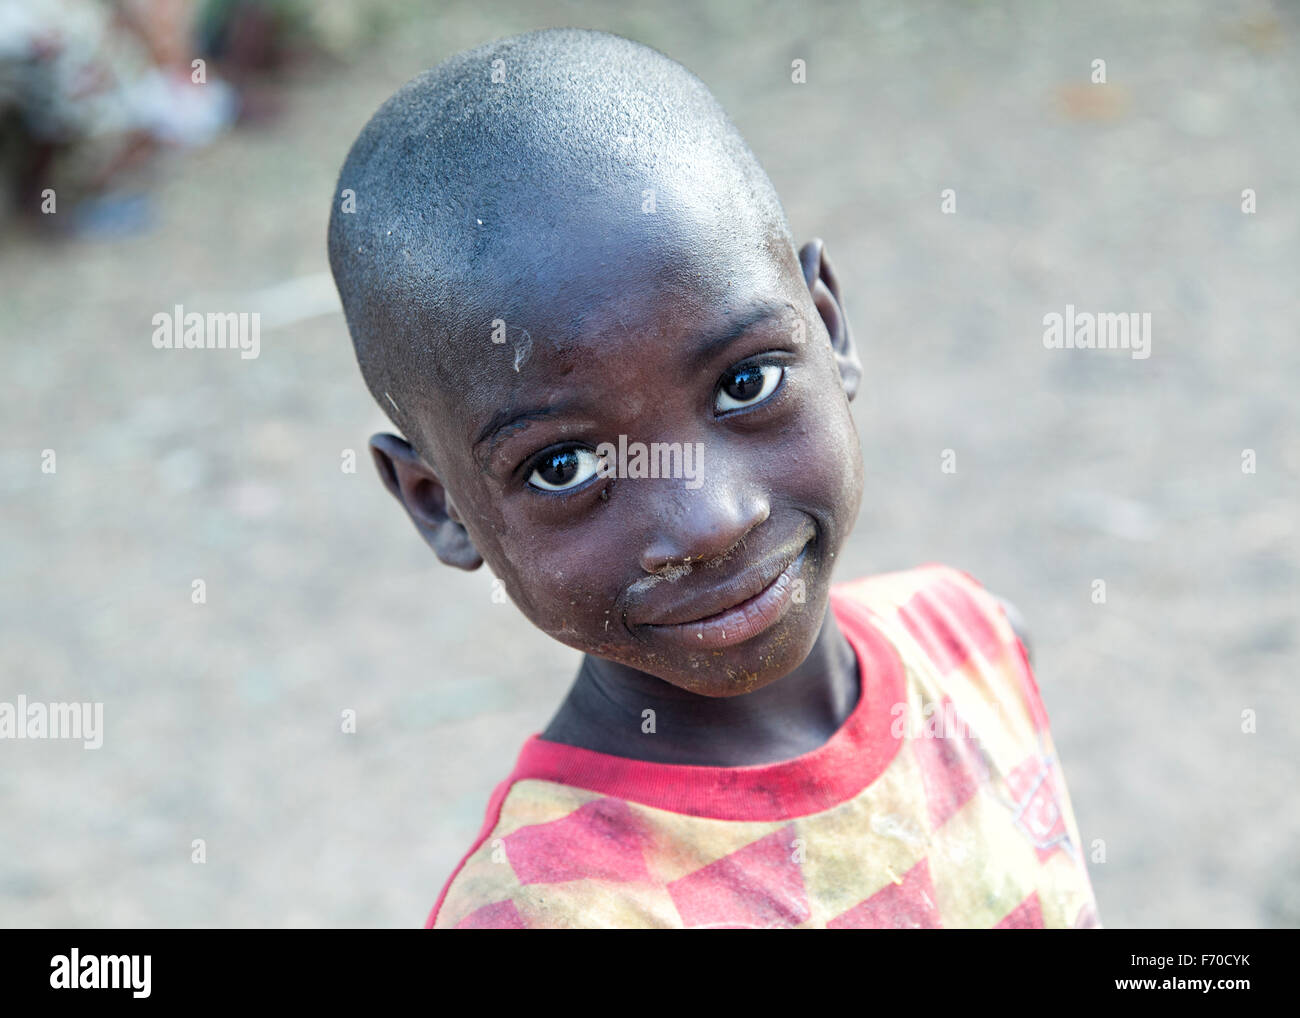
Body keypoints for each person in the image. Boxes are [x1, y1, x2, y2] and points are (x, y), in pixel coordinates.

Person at [327, 27, 1101, 929]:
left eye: (747, 383)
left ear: (828, 327)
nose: (709, 521)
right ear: (440, 506)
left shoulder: (970, 642)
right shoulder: (554, 910)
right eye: (564, 466)